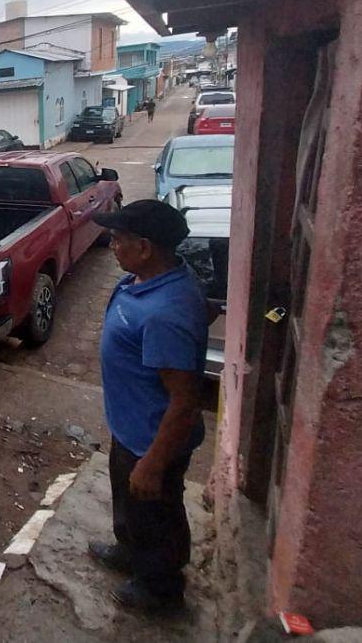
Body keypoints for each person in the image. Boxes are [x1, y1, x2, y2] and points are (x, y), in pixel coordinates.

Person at [88, 199, 207, 612]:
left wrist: (154, 463)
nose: (111, 246)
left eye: (118, 240)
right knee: (130, 505)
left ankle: (160, 588)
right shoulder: (147, 278)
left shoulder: (165, 314)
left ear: (144, 247)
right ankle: (130, 553)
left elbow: (186, 400)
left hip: (152, 440)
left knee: (157, 515)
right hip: (130, 429)